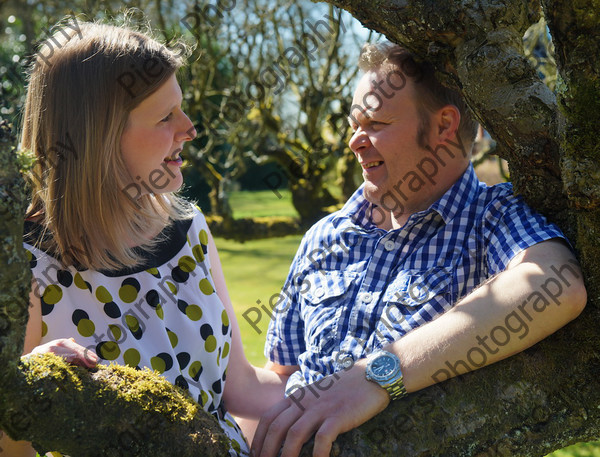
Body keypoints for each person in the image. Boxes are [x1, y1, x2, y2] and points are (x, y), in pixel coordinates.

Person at [251, 42, 588, 457]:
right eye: (354, 124)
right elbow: (281, 374)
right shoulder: (324, 235)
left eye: (374, 122)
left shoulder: (488, 217)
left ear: (445, 126)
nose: (355, 141)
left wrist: (375, 377)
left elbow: (556, 285)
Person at [0, 20, 286, 457]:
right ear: (100, 135)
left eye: (182, 109)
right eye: (165, 116)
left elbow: (240, 386)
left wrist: (343, 393)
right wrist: (36, 387)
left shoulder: (191, 229)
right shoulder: (23, 267)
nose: (190, 128)